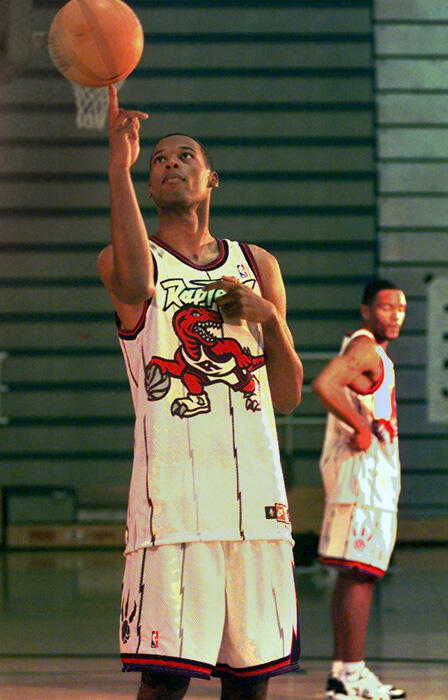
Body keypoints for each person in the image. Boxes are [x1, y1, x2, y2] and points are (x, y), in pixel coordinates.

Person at [97, 86, 303, 700]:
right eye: (159, 159)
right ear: (149, 185)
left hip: (257, 506)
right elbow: (135, 282)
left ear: (211, 178)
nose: (170, 164)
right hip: (175, 507)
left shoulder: (258, 264)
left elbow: (288, 395)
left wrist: (272, 321)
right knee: (166, 683)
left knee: (251, 682)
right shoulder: (126, 260)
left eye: (184, 155)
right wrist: (118, 167)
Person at [312, 280, 407, 700]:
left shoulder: (370, 350)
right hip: (364, 480)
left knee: (353, 573)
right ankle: (352, 673)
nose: (396, 315)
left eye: (401, 308)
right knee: (362, 575)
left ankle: (342, 674)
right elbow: (325, 383)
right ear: (366, 311)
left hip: (362, 480)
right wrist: (361, 426)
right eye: (386, 307)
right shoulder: (366, 348)